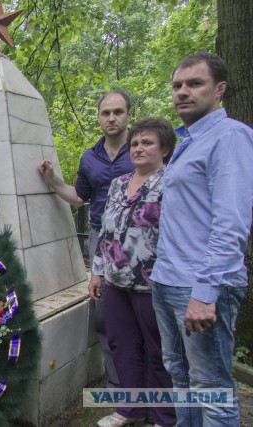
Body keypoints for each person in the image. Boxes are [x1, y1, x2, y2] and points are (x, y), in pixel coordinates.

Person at [151, 52, 253, 426]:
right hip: (168, 281)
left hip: (201, 286)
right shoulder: (188, 143)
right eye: (177, 85)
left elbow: (231, 224)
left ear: (220, 89)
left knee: (212, 391)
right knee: (180, 375)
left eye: (195, 84)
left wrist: (205, 292)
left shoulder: (230, 138)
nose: (182, 92)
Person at [38, 90, 134, 392]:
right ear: (98, 117)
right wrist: (52, 180)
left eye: (118, 112)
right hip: (101, 243)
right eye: (106, 113)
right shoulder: (90, 157)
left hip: (141, 242)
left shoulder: (144, 148)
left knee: (145, 318)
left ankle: (147, 393)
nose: (112, 118)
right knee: (105, 317)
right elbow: (79, 198)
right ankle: (118, 391)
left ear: (129, 114)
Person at [90, 118, 177, 427]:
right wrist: (97, 271)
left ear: (164, 148)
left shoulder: (172, 182)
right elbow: (105, 231)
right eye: (135, 143)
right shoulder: (119, 183)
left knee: (158, 351)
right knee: (122, 345)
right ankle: (131, 409)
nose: (139, 148)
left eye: (148, 142)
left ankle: (165, 417)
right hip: (115, 282)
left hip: (153, 284)